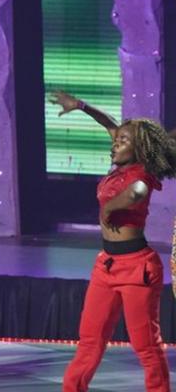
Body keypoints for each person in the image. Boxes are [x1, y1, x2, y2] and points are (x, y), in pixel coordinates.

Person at [52, 91, 176, 392]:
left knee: (146, 346)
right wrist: (81, 106)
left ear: (140, 149)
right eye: (116, 139)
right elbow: (110, 124)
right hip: (106, 266)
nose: (115, 142)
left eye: (122, 141)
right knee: (90, 342)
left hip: (138, 269)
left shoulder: (143, 172)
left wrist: (111, 206)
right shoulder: (122, 159)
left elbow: (136, 193)